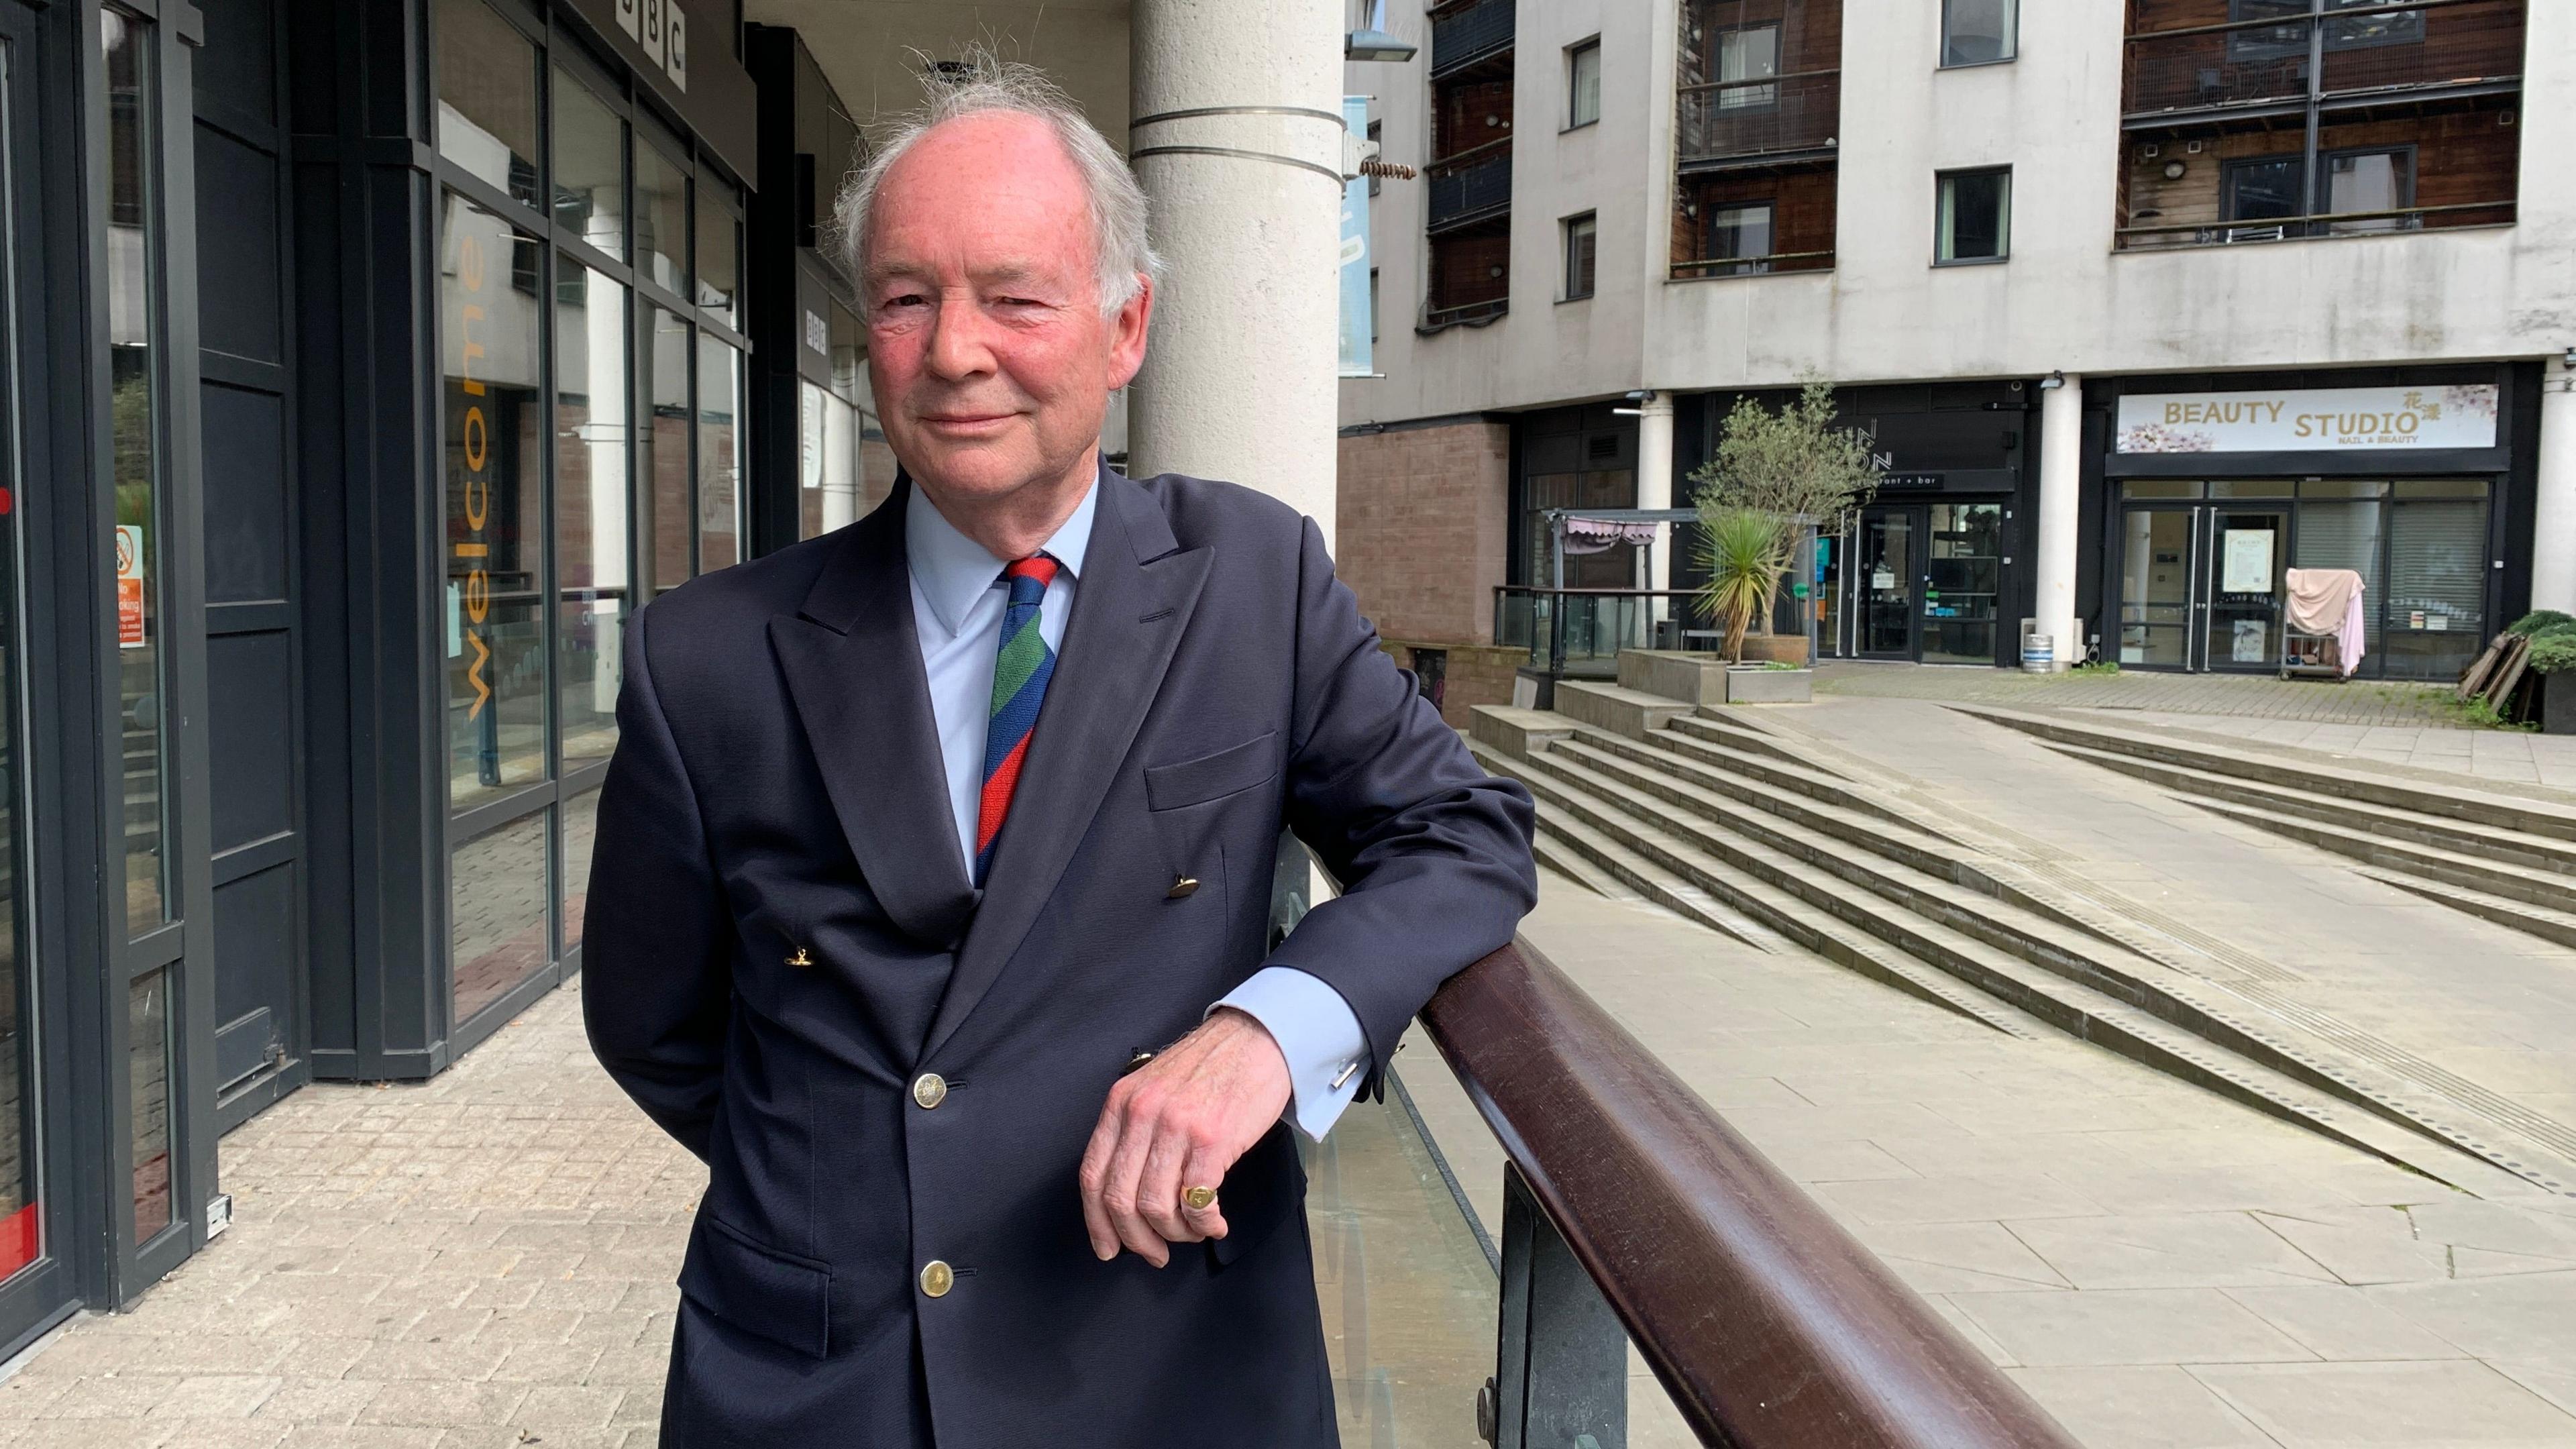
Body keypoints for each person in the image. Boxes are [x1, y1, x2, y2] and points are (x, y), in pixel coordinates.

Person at [583, 59, 1536, 1447]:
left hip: (1165, 1357)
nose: (957, 350)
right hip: (821, 1381)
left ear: (1126, 327)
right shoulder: (708, 653)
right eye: (908, 299)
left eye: (1015, 297)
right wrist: (855, 1181)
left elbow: (1463, 834)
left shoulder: (1251, 580)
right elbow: (653, 1026)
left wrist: (1268, 1034)